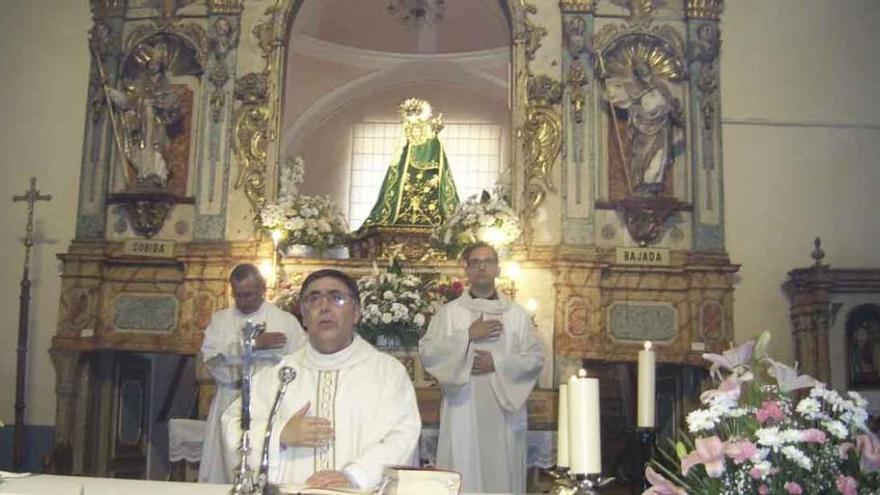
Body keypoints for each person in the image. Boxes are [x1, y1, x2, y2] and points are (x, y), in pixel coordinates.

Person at [222, 269, 421, 490]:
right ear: (304, 317)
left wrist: (356, 475)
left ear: (356, 312)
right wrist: (279, 435)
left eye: (336, 297)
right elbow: (233, 425)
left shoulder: (387, 373)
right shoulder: (276, 374)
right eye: (314, 298)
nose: (324, 307)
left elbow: (403, 434)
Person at [419, 242, 545, 493]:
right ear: (466, 270)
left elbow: (535, 358)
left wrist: (497, 364)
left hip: (504, 412)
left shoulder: (516, 315)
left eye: (487, 261)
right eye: (475, 262)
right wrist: (467, 336)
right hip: (462, 408)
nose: (481, 267)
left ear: (498, 269)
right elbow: (429, 352)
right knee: (464, 470)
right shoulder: (450, 314)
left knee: (501, 473)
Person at [199, 264, 305, 483]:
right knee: (223, 468)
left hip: (269, 403)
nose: (243, 300)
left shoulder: (285, 321)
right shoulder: (220, 321)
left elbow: (300, 363)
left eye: (249, 294)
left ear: (263, 288)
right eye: (238, 295)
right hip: (230, 398)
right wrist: (249, 344)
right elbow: (210, 359)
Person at [107, 40, 182, 187]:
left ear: (161, 66)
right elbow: (129, 100)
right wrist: (111, 93)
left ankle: (158, 174)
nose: (153, 66)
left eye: (157, 63)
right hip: (141, 125)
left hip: (157, 124)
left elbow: (172, 104)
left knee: (157, 147)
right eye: (151, 63)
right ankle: (144, 173)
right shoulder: (140, 84)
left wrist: (157, 105)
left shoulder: (164, 85)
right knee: (142, 147)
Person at [605, 60, 684, 196]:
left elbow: (673, 107)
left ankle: (653, 185)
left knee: (658, 157)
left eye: (645, 69)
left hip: (661, 131)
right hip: (642, 131)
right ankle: (641, 185)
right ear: (637, 74)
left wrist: (671, 109)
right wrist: (604, 80)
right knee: (641, 156)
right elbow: (615, 97)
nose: (643, 72)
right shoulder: (634, 89)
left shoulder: (660, 87)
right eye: (640, 70)